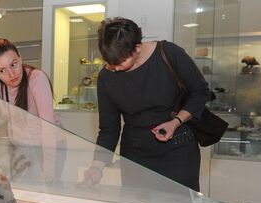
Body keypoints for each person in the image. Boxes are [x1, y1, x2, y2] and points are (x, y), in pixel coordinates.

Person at [82, 17, 208, 191]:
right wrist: (97, 166)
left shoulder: (169, 54)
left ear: (137, 47)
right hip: (135, 155)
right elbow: (109, 129)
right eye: (111, 63)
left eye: (120, 62)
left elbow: (200, 92)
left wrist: (176, 122)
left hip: (178, 150)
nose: (116, 68)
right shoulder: (106, 77)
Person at [0, 38, 65, 182]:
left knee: (46, 192)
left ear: (20, 58)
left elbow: (48, 127)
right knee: (19, 194)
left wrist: (48, 171)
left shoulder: (36, 78)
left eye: (13, 64)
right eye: (2, 70)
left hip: (49, 144)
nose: (11, 74)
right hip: (20, 146)